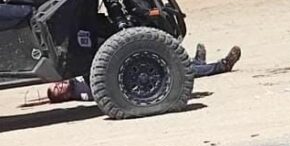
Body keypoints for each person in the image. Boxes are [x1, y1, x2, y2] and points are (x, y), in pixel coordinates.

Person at [46, 44, 242, 103]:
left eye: (55, 85)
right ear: (63, 97)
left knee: (176, 64)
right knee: (175, 70)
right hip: (131, 80)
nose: (60, 85)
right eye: (58, 90)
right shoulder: (83, 93)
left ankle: (198, 62)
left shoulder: (72, 78)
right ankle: (221, 66)